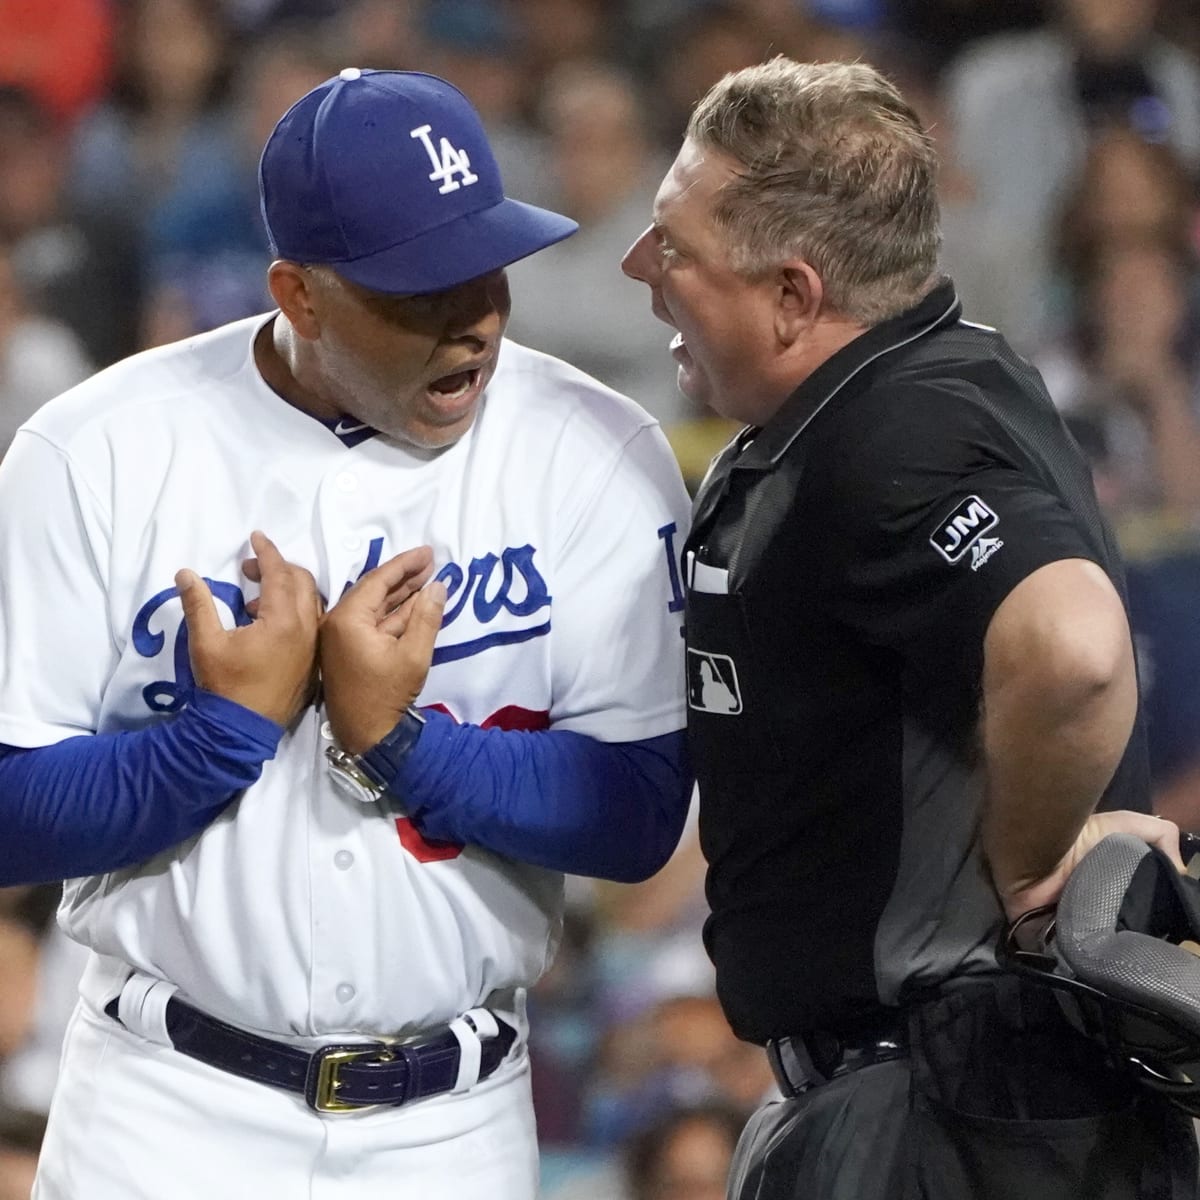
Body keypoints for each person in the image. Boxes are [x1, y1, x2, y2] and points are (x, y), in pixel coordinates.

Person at [0, 68, 692, 1199]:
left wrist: (400, 742)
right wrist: (217, 738)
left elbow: (638, 816)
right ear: (300, 294)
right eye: (420, 289)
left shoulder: (594, 450)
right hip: (164, 1112)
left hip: (453, 1127)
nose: (473, 319)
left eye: (486, 269)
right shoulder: (97, 452)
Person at [621, 57, 1198, 1200]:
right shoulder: (916, 382)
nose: (642, 269)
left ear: (794, 294)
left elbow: (1073, 654)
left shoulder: (899, 440)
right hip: (943, 1105)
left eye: (676, 247)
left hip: (957, 1119)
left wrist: (1035, 873)